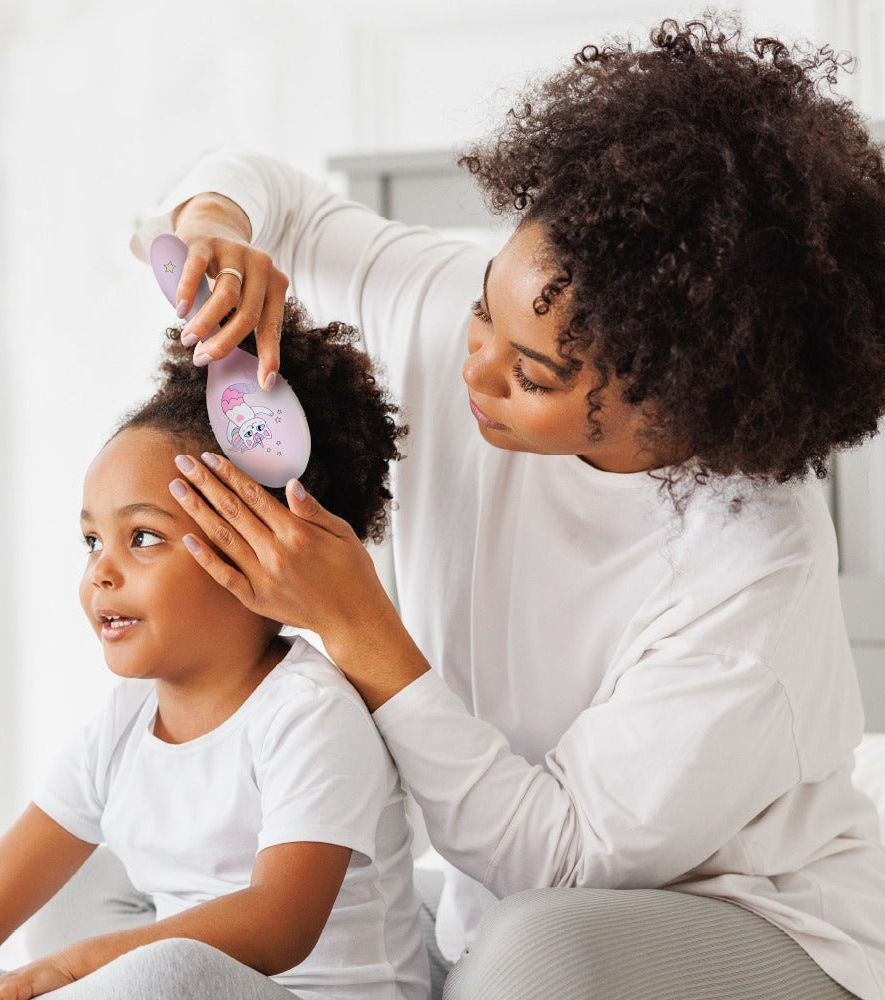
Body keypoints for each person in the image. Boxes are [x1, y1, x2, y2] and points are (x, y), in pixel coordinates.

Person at [125, 14, 885, 1000]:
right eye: (488, 303)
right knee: (155, 940)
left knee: (533, 951)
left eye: (532, 375)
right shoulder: (461, 328)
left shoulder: (749, 571)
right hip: (501, 933)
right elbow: (270, 198)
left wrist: (355, 623)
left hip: (757, 934)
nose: (474, 364)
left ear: (682, 409)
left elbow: (559, 860)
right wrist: (217, 231)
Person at [0, 303, 429, 1000]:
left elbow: (278, 924)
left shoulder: (310, 712)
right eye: (91, 542)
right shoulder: (122, 724)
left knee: (166, 973)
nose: (100, 572)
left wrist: (79, 966)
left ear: (253, 549)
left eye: (141, 538)